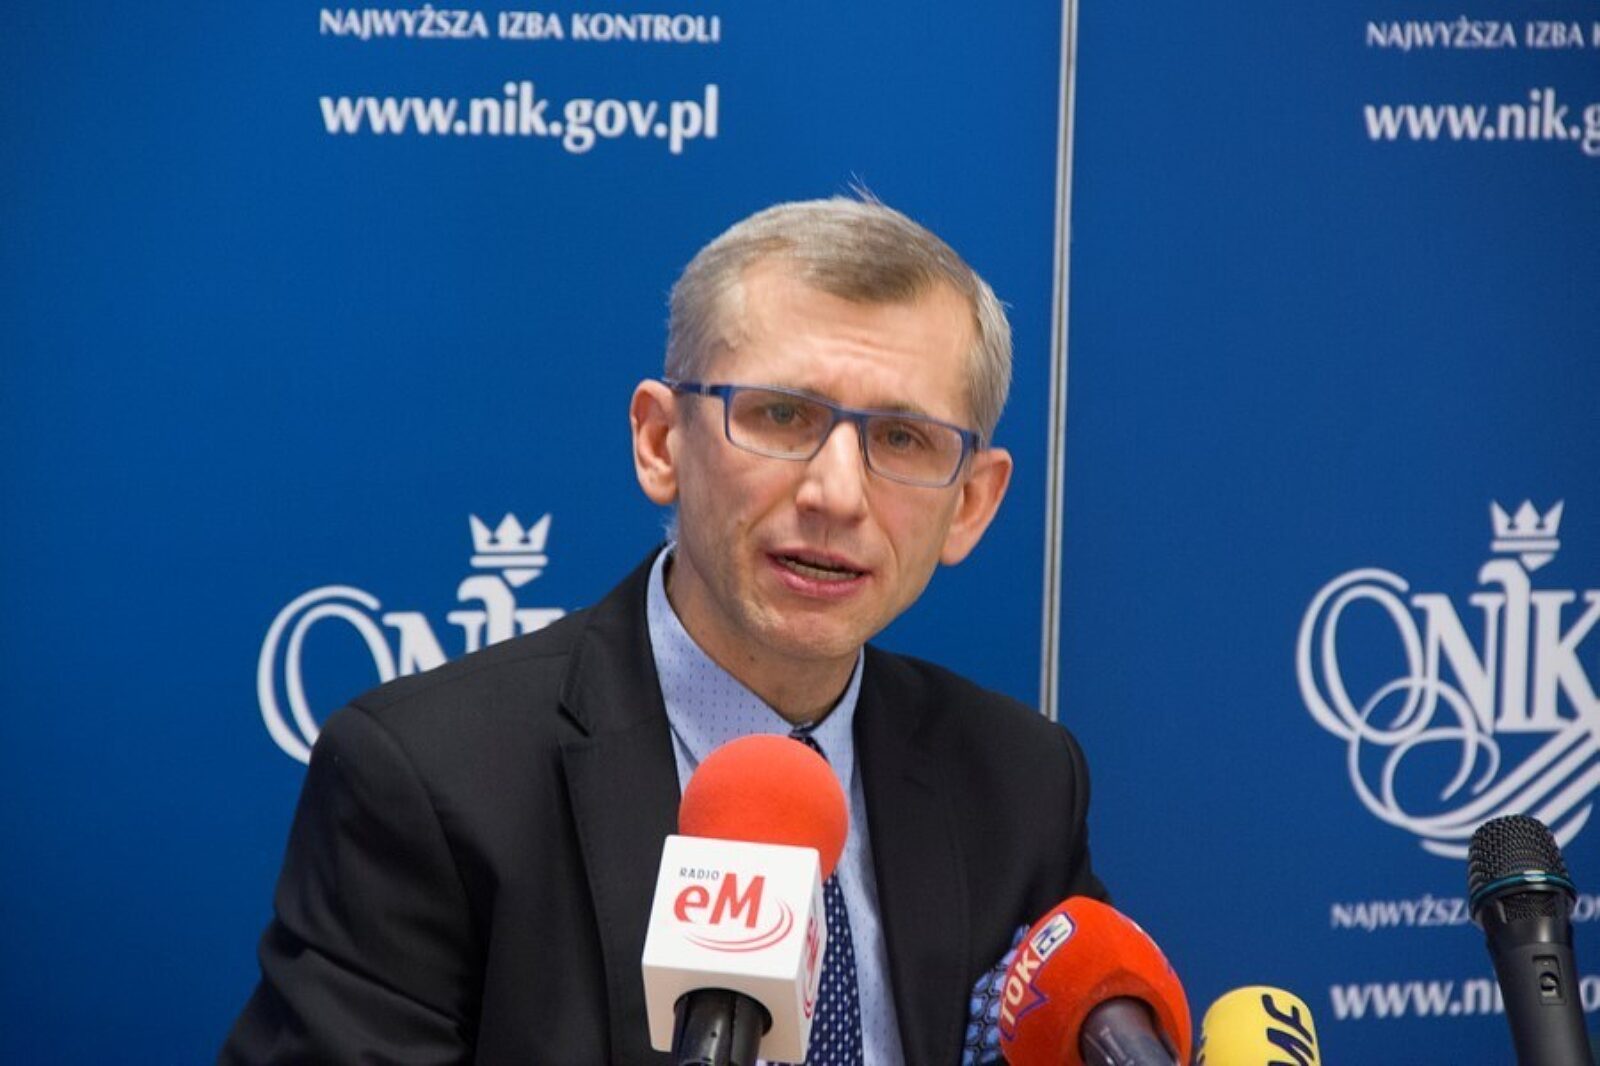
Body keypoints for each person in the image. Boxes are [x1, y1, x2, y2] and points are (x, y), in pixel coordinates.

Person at [222, 197, 1105, 1065]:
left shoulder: (1019, 785)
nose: (836, 494)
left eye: (903, 439)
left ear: (971, 503)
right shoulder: (431, 779)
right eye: (782, 415)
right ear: (660, 441)